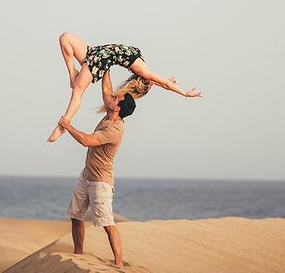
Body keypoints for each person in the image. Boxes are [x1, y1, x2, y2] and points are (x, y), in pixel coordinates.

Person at [48, 32, 202, 142]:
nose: (153, 82)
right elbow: (164, 83)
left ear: (143, 80)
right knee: (65, 38)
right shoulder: (143, 69)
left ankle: (62, 125)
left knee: (77, 91)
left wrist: (184, 93)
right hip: (95, 52)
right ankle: (71, 73)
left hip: (101, 61)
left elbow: (164, 83)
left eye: (150, 83)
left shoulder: (143, 71)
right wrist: (166, 83)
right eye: (152, 84)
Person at [58, 69, 135, 269]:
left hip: (101, 182)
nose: (112, 97)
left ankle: (118, 263)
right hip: (87, 175)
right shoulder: (110, 114)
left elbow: (86, 141)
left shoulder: (114, 130)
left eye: (116, 98)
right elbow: (106, 90)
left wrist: (67, 125)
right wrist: (105, 67)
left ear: (117, 107)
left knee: (107, 224)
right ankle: (78, 253)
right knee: (76, 215)